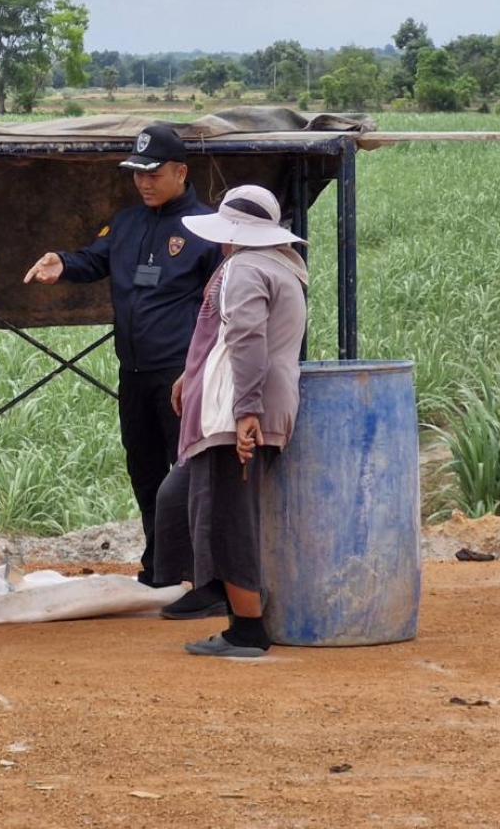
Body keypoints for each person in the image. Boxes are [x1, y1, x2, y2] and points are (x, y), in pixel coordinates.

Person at [23, 123, 220, 585]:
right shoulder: (127, 223)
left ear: (180, 171)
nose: (144, 182)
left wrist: (202, 369)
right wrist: (63, 262)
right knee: (145, 471)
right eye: (137, 173)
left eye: (153, 173)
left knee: (189, 473)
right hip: (133, 374)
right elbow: (94, 258)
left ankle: (202, 571)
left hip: (180, 375)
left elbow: (223, 306)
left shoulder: (206, 229)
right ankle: (161, 565)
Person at [165, 185, 308, 658]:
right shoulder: (280, 266)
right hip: (253, 402)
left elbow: (246, 338)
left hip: (235, 410)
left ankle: (246, 630)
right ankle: (234, 617)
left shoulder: (244, 269)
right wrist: (192, 375)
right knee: (226, 511)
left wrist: (246, 410)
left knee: (229, 517)